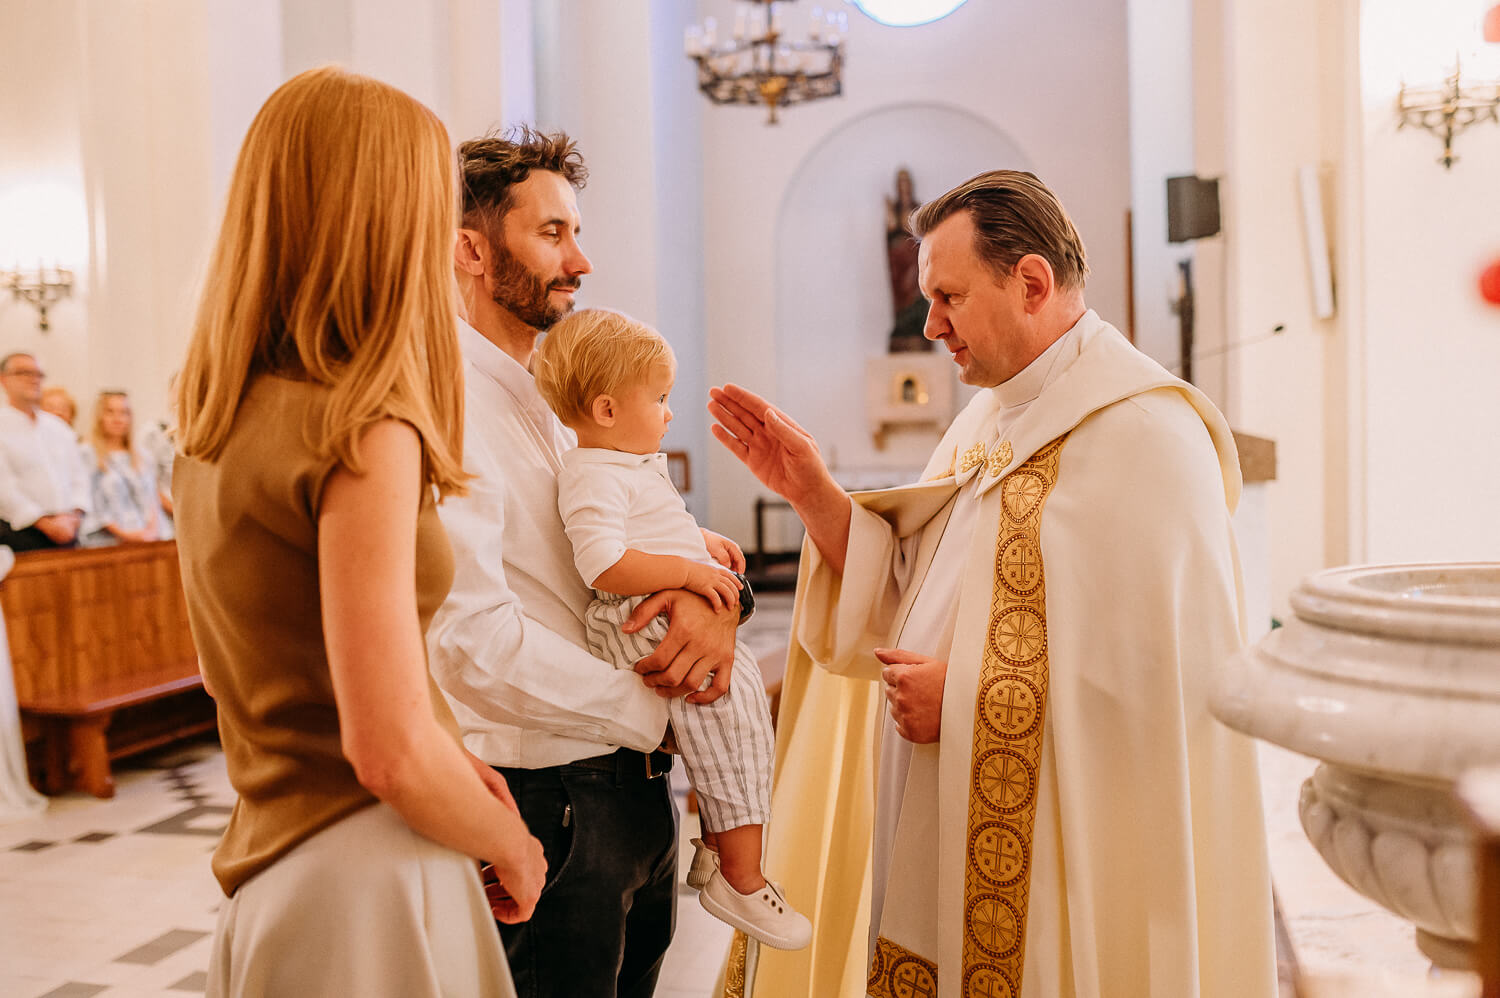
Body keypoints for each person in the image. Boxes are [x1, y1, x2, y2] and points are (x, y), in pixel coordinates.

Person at [708, 170, 1277, 997]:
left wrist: (972, 699)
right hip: (934, 816)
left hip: (1060, 873)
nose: (931, 324)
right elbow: (915, 585)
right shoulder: (992, 416)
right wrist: (814, 495)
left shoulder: (1150, 437)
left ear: (1033, 283)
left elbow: (1173, 695)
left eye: (948, 297)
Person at [171, 67, 543, 998]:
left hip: (274, 866)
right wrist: (512, 842)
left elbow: (264, 673)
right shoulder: (360, 426)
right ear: (382, 220)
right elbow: (384, 750)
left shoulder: (216, 421)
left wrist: (454, 759)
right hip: (368, 875)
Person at [427, 126, 743, 998]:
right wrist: (653, 710)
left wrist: (722, 602)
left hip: (632, 792)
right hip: (549, 795)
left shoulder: (564, 399)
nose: (582, 261)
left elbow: (666, 540)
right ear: (472, 251)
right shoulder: (447, 409)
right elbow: (470, 640)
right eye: (553, 234)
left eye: (576, 232)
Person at [533, 308, 812, 950]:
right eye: (659, 398)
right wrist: (688, 571)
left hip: (655, 612)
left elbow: (648, 528)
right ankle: (740, 879)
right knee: (728, 711)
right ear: (606, 409)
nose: (668, 412)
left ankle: (719, 850)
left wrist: (699, 542)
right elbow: (603, 561)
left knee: (734, 720)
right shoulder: (593, 473)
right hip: (630, 621)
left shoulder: (625, 466)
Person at [0, 352, 89, 551]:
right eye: (24, 373)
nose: (33, 379)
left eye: (38, 374)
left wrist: (74, 516)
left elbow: (79, 478)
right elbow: (4, 489)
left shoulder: (59, 428)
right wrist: (44, 523)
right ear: (3, 380)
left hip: (69, 531)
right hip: (21, 535)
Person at [80, 390, 170, 546]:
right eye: (110, 412)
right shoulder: (87, 454)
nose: (118, 419)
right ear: (99, 417)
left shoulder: (143, 456)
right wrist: (127, 535)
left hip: (150, 539)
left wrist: (151, 532)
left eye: (124, 412)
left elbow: (152, 497)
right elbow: (93, 504)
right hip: (109, 542)